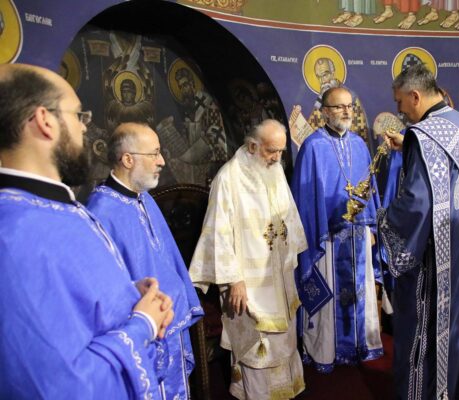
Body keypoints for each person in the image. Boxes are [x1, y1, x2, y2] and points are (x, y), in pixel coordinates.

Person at [0, 63, 174, 398]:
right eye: (79, 115)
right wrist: (143, 324)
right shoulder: (13, 233)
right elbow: (55, 386)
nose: (84, 127)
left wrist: (126, 294)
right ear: (45, 120)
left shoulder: (58, 208)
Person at [378, 64, 459, 399]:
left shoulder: (423, 136)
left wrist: (384, 221)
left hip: (440, 244)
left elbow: (417, 203)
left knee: (426, 321)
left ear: (415, 96)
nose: (400, 110)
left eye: (400, 102)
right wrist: (409, 144)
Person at [85, 122, 205, 399]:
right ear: (128, 159)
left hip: (171, 324)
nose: (162, 161)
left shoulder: (144, 198)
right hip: (147, 337)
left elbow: (168, 258)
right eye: (154, 154)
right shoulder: (101, 213)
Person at [189, 119, 307, 399]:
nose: (277, 158)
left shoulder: (274, 169)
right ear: (253, 146)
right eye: (271, 151)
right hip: (248, 285)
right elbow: (217, 234)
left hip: (277, 277)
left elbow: (289, 217)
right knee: (258, 347)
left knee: (284, 341)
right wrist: (234, 281)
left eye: (281, 151)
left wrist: (290, 258)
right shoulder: (228, 179)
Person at [292, 86, 383, 373]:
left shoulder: (359, 145)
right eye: (338, 106)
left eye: (349, 106)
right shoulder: (312, 147)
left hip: (357, 235)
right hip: (328, 237)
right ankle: (326, 350)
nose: (346, 111)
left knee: (359, 291)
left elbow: (370, 189)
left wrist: (370, 225)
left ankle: (360, 345)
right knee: (331, 292)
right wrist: (323, 223)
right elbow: (305, 199)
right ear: (323, 112)